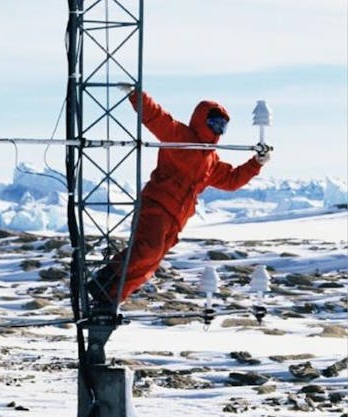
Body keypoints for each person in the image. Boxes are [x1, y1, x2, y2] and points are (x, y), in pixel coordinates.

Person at [88, 88, 271, 304]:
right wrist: (135, 94)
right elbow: (156, 118)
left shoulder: (211, 160)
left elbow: (231, 180)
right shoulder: (181, 137)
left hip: (176, 220)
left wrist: (256, 163)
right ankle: (103, 279)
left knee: (150, 262)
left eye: (223, 126)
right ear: (202, 120)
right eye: (214, 123)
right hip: (156, 207)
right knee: (147, 250)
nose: (218, 129)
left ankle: (110, 297)